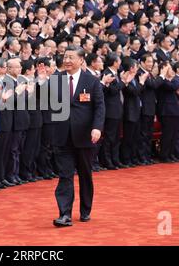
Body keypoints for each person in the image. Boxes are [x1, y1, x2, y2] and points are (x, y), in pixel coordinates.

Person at [51, 46, 105, 227]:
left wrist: (97, 127)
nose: (67, 61)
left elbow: (99, 107)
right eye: (65, 57)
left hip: (85, 136)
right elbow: (42, 99)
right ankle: (64, 214)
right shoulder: (55, 79)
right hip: (62, 135)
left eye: (71, 57)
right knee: (65, 175)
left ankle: (85, 210)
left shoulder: (92, 81)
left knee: (85, 175)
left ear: (81, 60)